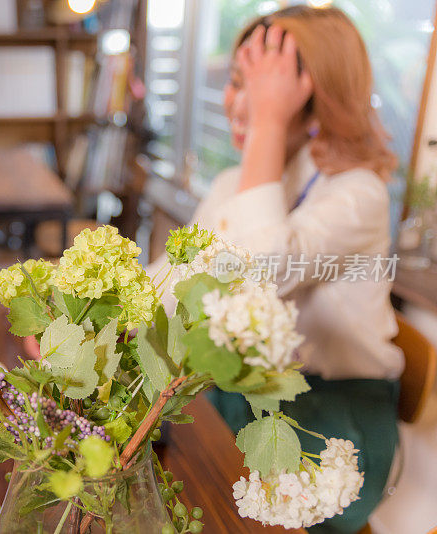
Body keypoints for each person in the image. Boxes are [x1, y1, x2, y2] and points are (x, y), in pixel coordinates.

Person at [150, 6, 402, 533]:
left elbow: (253, 272)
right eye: (236, 83)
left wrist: (267, 122)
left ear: (313, 100)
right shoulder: (240, 184)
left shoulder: (358, 194)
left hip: (332, 425)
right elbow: (173, 284)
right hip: (244, 404)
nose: (232, 102)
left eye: (258, 88)